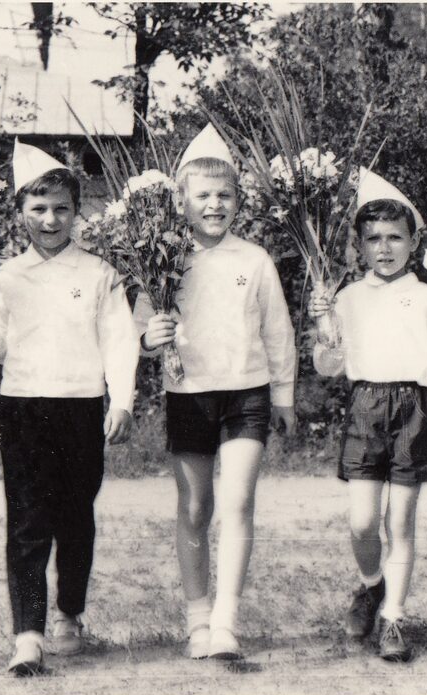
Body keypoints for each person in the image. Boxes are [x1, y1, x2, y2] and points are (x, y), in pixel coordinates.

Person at [0, 141, 139, 675]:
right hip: (24, 409)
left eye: (61, 208)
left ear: (76, 211)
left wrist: (121, 400)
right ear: (20, 212)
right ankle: (28, 635)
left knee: (76, 516)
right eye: (38, 208)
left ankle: (69, 612)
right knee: (28, 519)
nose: (50, 219)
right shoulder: (6, 276)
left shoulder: (99, 273)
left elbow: (119, 340)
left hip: (81, 407)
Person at [135, 124, 297, 661]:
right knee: (195, 506)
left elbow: (278, 331)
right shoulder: (160, 259)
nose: (214, 205)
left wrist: (284, 395)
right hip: (189, 394)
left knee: (238, 501)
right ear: (181, 200)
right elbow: (138, 332)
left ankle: (227, 620)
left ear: (237, 201)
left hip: (246, 394)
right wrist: (149, 338)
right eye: (202, 195)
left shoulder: (254, 259)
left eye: (224, 195)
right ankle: (197, 618)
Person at [309, 168, 427, 662]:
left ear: (414, 243)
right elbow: (328, 366)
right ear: (359, 245)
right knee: (361, 522)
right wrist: (322, 324)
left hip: (415, 410)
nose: (384, 248)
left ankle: (394, 616)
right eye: (373, 239)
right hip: (366, 407)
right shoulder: (346, 298)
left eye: (395, 237)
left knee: (400, 521)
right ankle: (372, 584)